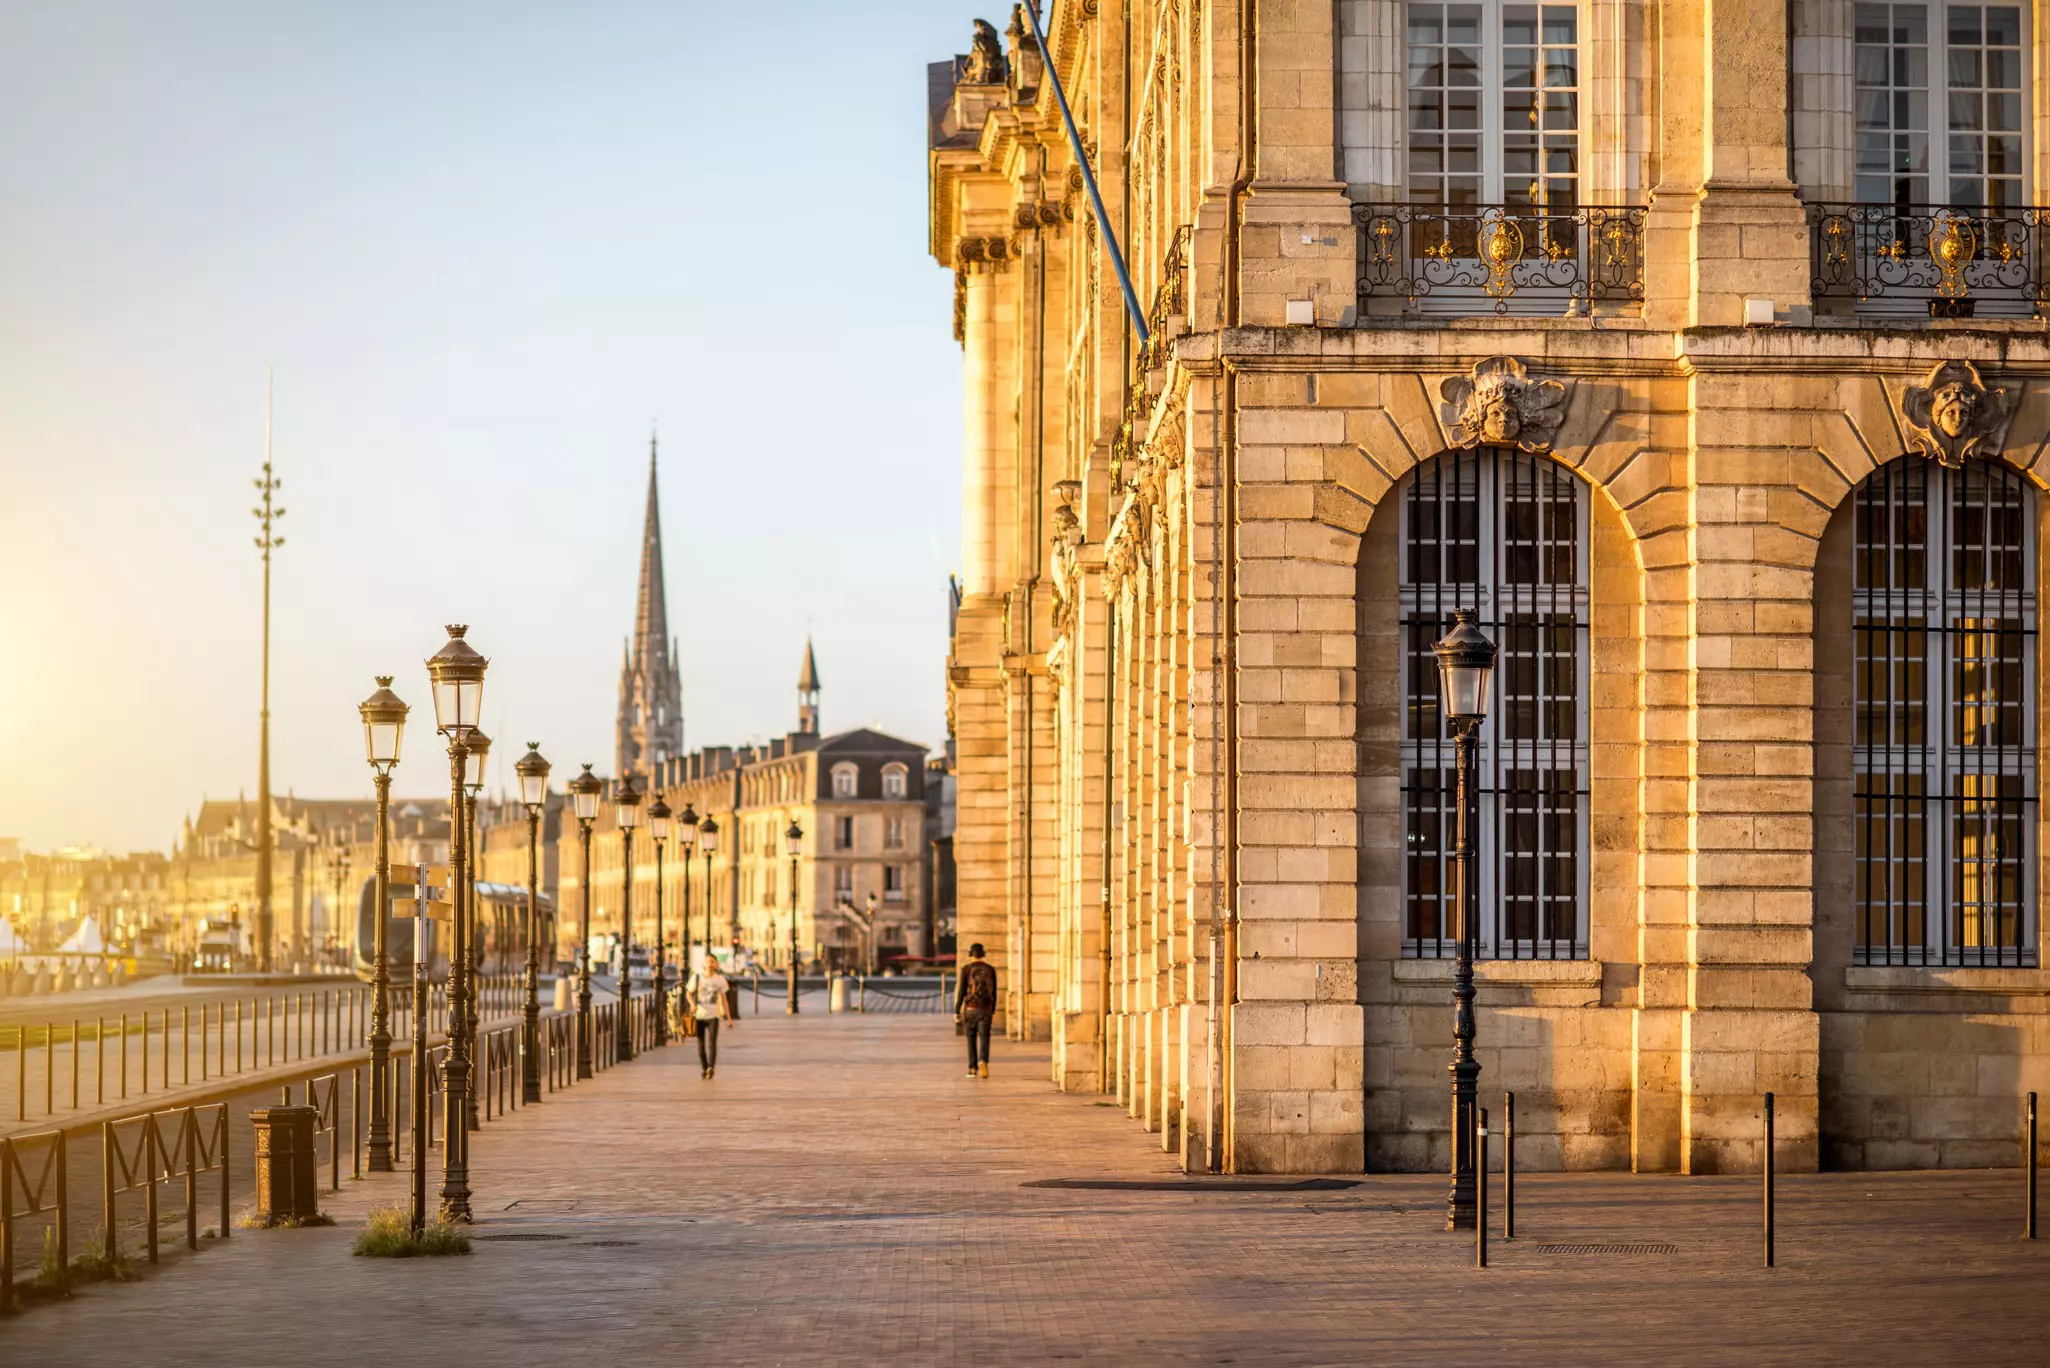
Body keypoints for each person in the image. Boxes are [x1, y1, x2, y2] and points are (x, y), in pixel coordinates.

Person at [686, 952, 734, 1078]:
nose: (710, 964)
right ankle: (705, 1068)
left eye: (712, 961)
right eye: (708, 961)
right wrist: (692, 1004)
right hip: (699, 1015)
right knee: (700, 1044)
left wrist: (729, 1018)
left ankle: (711, 1067)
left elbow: (724, 1000)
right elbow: (688, 993)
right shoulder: (696, 978)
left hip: (714, 1015)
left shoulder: (720, 980)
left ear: (716, 964)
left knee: (712, 1043)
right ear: (704, 963)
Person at [954, 942, 997, 1078]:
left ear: (971, 955)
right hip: (985, 1009)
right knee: (985, 1037)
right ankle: (983, 1060)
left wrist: (957, 1010)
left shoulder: (966, 969)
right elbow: (994, 991)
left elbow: (961, 991)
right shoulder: (990, 969)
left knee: (971, 1037)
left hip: (970, 1008)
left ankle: (972, 1068)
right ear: (982, 954)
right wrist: (993, 1009)